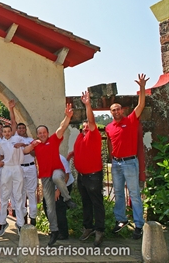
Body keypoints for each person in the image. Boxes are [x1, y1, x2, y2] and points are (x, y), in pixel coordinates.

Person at [23, 104, 77, 246]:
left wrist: (68, 116)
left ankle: (67, 198)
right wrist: (33, 145)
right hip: (45, 177)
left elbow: (62, 127)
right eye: (39, 133)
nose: (42, 135)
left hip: (57, 171)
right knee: (50, 206)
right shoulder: (37, 145)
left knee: (57, 177)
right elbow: (25, 151)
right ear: (37, 134)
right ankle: (54, 231)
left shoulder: (54, 139)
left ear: (47, 133)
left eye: (44, 132)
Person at [106, 74, 149, 240]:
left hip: (130, 162)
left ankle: (139, 225)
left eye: (118, 109)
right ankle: (121, 219)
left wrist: (142, 87)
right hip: (116, 164)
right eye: (113, 110)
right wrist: (111, 158)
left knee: (134, 194)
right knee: (118, 192)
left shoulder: (131, 120)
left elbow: (141, 104)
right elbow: (110, 143)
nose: (116, 112)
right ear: (110, 113)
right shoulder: (109, 127)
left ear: (122, 110)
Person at [67, 90, 105, 246]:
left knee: (97, 204)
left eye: (87, 127)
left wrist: (87, 104)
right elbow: (80, 150)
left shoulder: (93, 135)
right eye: (83, 127)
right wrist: (72, 153)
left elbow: (91, 120)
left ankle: (99, 231)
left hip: (93, 176)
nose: (85, 129)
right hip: (83, 176)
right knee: (86, 203)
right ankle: (88, 227)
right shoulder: (81, 137)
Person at [0, 125, 26, 236]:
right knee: (4, 196)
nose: (7, 133)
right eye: (5, 131)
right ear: (2, 133)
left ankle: (20, 224)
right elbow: (2, 155)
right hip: (6, 168)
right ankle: (2, 222)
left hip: (17, 167)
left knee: (18, 196)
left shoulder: (17, 139)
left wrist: (21, 145)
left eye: (9, 131)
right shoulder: (1, 143)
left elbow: (26, 146)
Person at [43, 155, 74, 241]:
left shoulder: (61, 159)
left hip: (64, 185)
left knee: (59, 206)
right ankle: (55, 229)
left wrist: (58, 191)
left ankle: (63, 233)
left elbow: (66, 176)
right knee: (46, 204)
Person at [15, 122, 37, 226]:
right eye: (19, 128)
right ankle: (23, 216)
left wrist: (29, 146)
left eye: (23, 128)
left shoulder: (30, 140)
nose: (21, 129)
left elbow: (34, 153)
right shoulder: (15, 140)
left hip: (31, 166)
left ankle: (33, 216)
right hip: (20, 167)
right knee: (21, 193)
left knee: (31, 192)